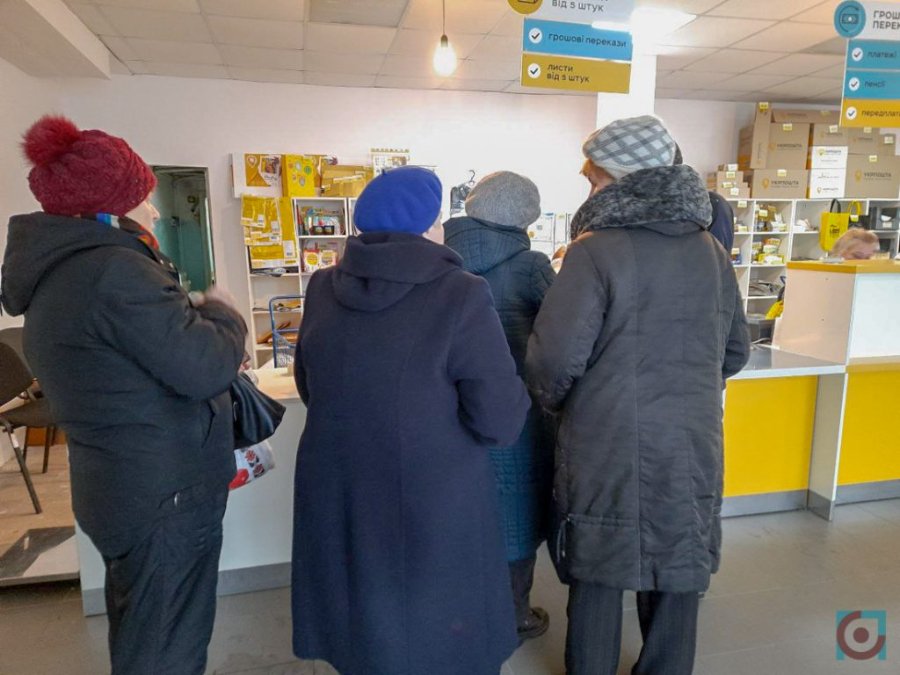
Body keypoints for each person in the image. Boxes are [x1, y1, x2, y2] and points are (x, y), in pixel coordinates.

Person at [1, 116, 247, 675]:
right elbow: (203, 367)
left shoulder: (63, 271)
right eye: (143, 199)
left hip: (124, 485)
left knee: (145, 632)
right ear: (107, 208)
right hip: (162, 497)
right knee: (166, 646)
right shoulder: (113, 272)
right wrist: (224, 315)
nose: (154, 212)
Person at [527, 115, 751, 675]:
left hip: (606, 440)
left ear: (625, 178)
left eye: (595, 180)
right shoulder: (710, 250)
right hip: (691, 438)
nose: (589, 193)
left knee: (600, 564)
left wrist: (565, 406)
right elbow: (735, 351)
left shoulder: (593, 250)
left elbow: (553, 361)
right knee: (680, 558)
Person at [291, 166, 531, 675]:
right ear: (428, 224)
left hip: (341, 486)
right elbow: (498, 419)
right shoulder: (460, 292)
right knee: (440, 632)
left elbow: (310, 385)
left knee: (362, 618)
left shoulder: (322, 287)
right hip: (434, 493)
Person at [443, 171, 556, 643]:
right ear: (526, 218)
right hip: (518, 411)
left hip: (452, 408)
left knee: (464, 511)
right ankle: (514, 615)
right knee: (517, 512)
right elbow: (564, 336)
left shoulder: (443, 259)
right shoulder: (531, 266)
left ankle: (463, 612)